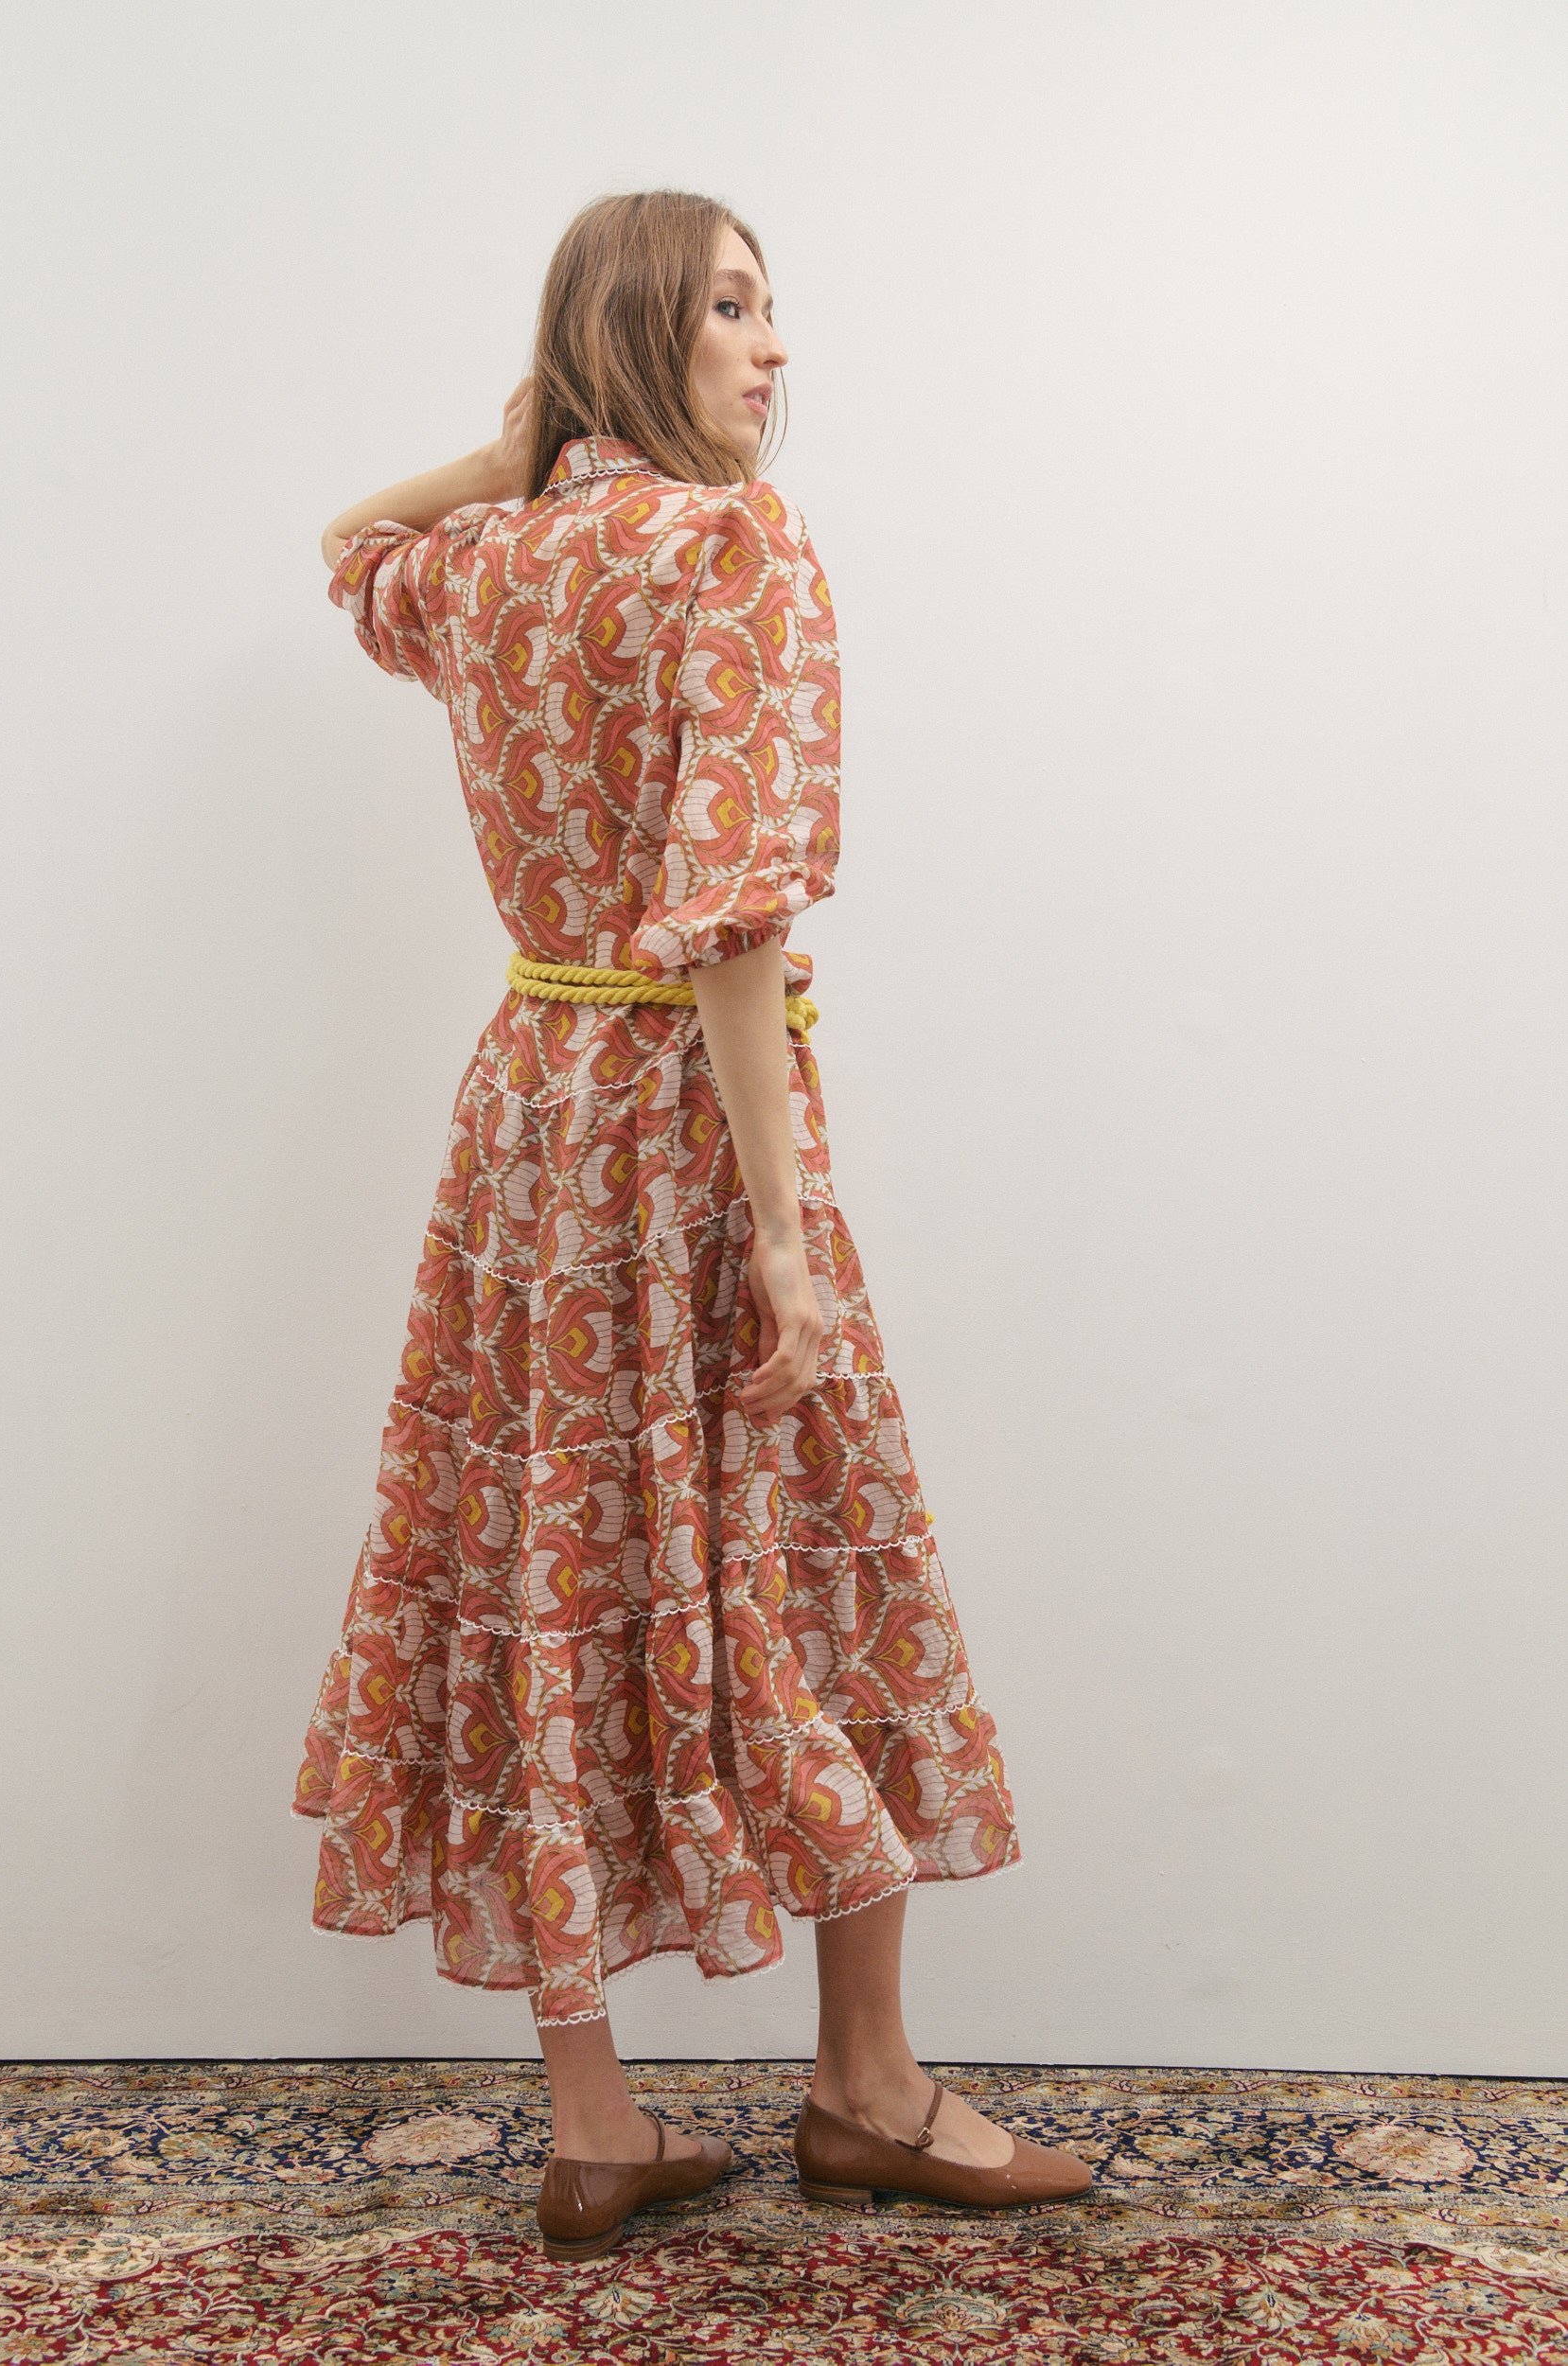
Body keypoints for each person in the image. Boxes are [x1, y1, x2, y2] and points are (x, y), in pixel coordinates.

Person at [295, 187, 1091, 2259]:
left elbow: (345, 551)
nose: (774, 347)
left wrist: (506, 451)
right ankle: (870, 2085)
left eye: (773, 308)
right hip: (673, 1114)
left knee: (547, 1552)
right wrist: (793, 1239)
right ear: (643, 331)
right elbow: (735, 932)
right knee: (813, 1547)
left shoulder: (494, 560)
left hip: (527, 1114)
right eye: (734, 307)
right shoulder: (734, 547)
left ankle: (595, 2123)